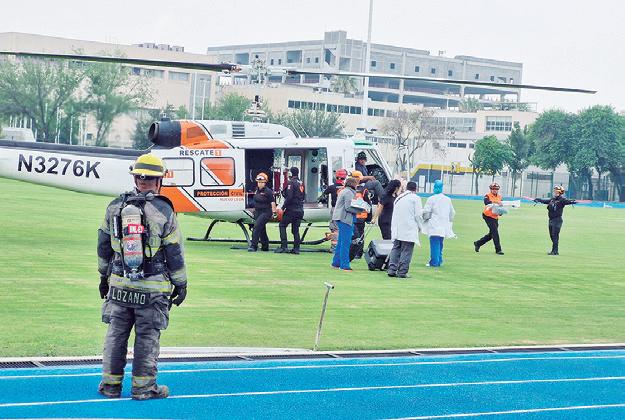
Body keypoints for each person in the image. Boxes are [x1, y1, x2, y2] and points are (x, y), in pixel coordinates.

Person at [97, 153, 187, 400]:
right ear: (159, 181)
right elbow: (174, 252)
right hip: (152, 289)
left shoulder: (115, 206)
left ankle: (110, 386)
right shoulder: (164, 210)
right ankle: (144, 388)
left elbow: (103, 246)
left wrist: (104, 277)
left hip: (118, 285)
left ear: (136, 178)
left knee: (115, 336)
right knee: (147, 338)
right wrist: (181, 284)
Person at [387, 181, 423, 278]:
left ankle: (392, 269)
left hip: (397, 227)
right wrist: (420, 226)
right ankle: (402, 272)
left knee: (396, 248)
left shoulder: (399, 197)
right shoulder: (415, 198)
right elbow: (418, 215)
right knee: (407, 250)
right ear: (416, 189)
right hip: (408, 228)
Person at [534, 185, 577, 255]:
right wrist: (539, 200)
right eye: (554, 191)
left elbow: (567, 201)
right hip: (551, 220)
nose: (555, 192)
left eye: (556, 191)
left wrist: (572, 201)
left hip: (557, 220)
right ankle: (555, 250)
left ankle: (555, 251)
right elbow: (545, 201)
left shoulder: (562, 200)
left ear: (560, 192)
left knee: (555, 236)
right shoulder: (552, 199)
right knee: (552, 236)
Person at [422, 180, 456, 267]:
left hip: (434, 225)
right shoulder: (447, 199)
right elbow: (452, 212)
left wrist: (423, 218)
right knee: (440, 244)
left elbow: (426, 211)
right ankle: (439, 260)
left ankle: (434, 262)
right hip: (444, 226)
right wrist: (448, 221)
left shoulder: (431, 199)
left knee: (434, 244)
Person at [331, 177, 360, 271]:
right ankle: (344, 265)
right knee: (345, 243)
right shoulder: (348, 193)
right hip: (345, 219)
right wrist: (360, 210)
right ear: (353, 184)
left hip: (340, 218)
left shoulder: (345, 191)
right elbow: (348, 207)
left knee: (341, 242)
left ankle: (336, 263)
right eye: (356, 184)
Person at [275, 167, 305, 254]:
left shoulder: (291, 183)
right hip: (300, 209)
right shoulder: (301, 183)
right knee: (295, 230)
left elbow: (289, 197)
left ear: (291, 173)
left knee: (282, 225)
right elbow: (303, 196)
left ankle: (284, 246)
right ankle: (296, 249)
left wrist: (283, 207)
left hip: (292, 209)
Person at [248, 172, 277, 252]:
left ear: (265, 182)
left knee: (256, 227)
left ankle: (253, 246)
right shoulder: (256, 190)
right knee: (261, 229)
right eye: (258, 182)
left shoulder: (268, 191)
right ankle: (265, 246)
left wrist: (274, 213)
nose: (260, 184)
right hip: (257, 212)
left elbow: (272, 202)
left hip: (266, 212)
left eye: (261, 182)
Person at [474, 182, 505, 255]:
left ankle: (478, 243)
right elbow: (487, 203)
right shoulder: (487, 196)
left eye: (496, 189)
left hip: (495, 217)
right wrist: (497, 202)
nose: (495, 190)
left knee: (491, 234)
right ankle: (498, 250)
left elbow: (501, 207)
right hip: (487, 216)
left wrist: (501, 212)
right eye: (493, 189)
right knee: (495, 233)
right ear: (491, 189)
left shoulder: (500, 197)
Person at [321, 168, 348, 251]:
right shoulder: (347, 188)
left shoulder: (332, 187)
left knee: (335, 228)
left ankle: (334, 247)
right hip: (345, 210)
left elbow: (323, 195)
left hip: (336, 209)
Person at [349, 170, 372, 260]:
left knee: (359, 236)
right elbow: (368, 204)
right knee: (356, 236)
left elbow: (368, 204)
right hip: (354, 216)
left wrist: (369, 217)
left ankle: (358, 253)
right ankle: (355, 253)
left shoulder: (362, 190)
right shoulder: (361, 190)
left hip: (359, 217)